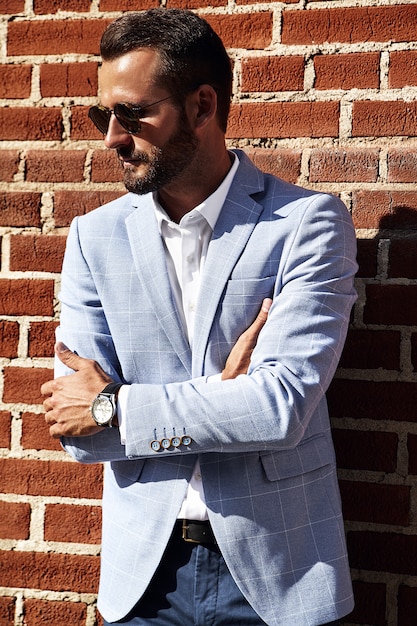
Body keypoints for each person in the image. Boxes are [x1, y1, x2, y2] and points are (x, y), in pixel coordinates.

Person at [41, 8, 358, 626]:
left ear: (202, 107)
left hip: (280, 570)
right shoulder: (93, 238)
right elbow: (75, 427)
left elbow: (279, 408)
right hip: (145, 578)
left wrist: (115, 405)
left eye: (132, 114)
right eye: (101, 115)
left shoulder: (305, 225)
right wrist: (219, 393)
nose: (110, 136)